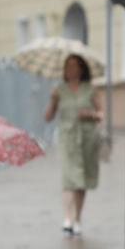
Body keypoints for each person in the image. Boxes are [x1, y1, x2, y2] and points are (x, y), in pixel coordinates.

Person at [43, 53, 103, 237]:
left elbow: (101, 114)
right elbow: (47, 117)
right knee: (69, 177)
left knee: (82, 180)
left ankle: (78, 218)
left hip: (87, 138)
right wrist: (52, 100)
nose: (71, 69)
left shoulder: (90, 89)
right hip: (68, 139)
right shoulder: (59, 91)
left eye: (75, 65)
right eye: (68, 66)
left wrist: (90, 114)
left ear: (81, 69)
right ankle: (67, 218)